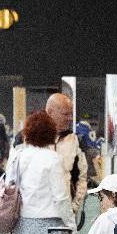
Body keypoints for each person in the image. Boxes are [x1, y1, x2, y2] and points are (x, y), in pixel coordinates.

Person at [8, 111, 74, 234]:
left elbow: (10, 185)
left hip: (24, 222)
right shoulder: (52, 159)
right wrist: (71, 224)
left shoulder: (18, 155)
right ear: (50, 134)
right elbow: (61, 197)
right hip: (49, 224)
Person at [45, 93, 88, 223]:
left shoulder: (74, 140)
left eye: (71, 114)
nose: (70, 118)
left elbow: (82, 177)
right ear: (50, 112)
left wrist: (73, 207)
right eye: (65, 114)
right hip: (34, 214)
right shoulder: (29, 138)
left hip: (64, 215)